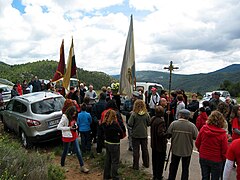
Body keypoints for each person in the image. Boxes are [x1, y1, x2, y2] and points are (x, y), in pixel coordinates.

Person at [195, 111, 228, 180]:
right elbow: (224, 149)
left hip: (204, 156)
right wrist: (223, 158)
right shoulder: (222, 134)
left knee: (205, 177)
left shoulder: (204, 129)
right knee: (215, 178)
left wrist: (200, 150)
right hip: (216, 159)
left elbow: (197, 142)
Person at [167, 109, 198, 180]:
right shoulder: (192, 126)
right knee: (185, 168)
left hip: (175, 149)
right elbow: (195, 137)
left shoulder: (174, 124)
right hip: (187, 150)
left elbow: (169, 134)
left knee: (173, 167)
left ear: (181, 115)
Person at [57, 105, 89, 173]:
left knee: (78, 151)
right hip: (67, 136)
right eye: (73, 114)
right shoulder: (64, 117)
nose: (74, 115)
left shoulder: (74, 117)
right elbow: (59, 127)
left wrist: (75, 126)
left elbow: (75, 123)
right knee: (65, 151)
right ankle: (62, 165)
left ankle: (82, 166)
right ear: (70, 112)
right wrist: (69, 128)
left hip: (74, 135)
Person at [128, 99, 151, 170]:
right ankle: (146, 163)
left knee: (136, 151)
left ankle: (135, 166)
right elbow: (149, 123)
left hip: (135, 135)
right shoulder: (146, 114)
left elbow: (130, 123)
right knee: (145, 150)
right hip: (144, 134)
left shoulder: (134, 114)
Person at [102, 109, 124, 180]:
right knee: (115, 161)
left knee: (108, 160)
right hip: (115, 143)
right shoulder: (115, 124)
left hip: (107, 142)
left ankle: (106, 175)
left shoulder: (104, 124)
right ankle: (115, 176)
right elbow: (121, 132)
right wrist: (119, 137)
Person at [150, 106, 167, 180]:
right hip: (160, 145)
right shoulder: (161, 122)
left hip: (154, 144)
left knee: (155, 160)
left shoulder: (153, 119)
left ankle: (155, 175)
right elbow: (160, 133)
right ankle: (158, 176)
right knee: (160, 162)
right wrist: (167, 134)